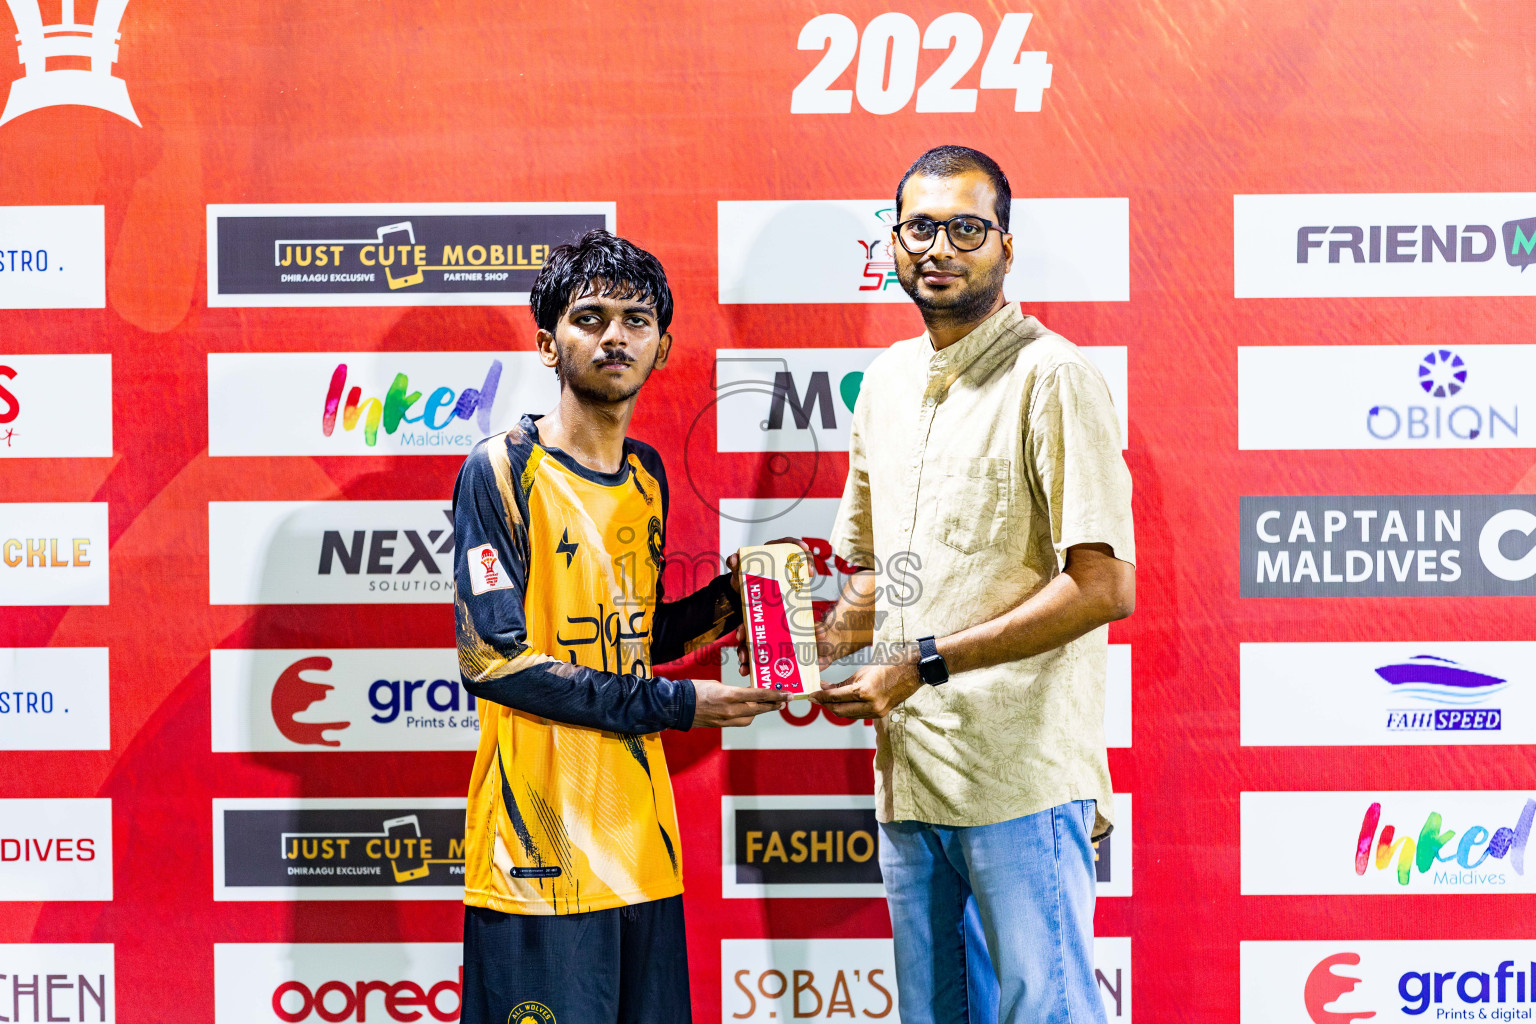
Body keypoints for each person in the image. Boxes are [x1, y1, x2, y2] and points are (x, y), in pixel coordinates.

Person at [813, 146, 1136, 1024]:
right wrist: (804, 648)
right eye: (921, 227)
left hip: (1018, 779)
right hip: (912, 773)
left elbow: (1104, 588)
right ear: (893, 241)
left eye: (966, 227)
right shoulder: (881, 383)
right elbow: (878, 575)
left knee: (1049, 1012)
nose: (939, 248)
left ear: (1005, 245)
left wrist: (917, 664)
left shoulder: (1053, 376)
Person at [452, 229, 789, 1024]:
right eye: (590, 317)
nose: (614, 336)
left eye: (636, 321)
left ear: (664, 347)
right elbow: (494, 661)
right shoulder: (500, 469)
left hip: (641, 852)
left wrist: (730, 604)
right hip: (536, 861)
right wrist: (679, 708)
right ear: (547, 342)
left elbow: (632, 635)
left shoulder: (646, 475)